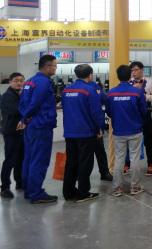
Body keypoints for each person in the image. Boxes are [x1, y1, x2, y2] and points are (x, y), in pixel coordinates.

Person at [61, 64, 105, 203]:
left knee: (71, 162)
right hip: (86, 132)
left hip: (70, 132)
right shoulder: (89, 90)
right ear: (90, 75)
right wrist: (100, 128)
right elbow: (96, 112)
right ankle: (83, 192)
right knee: (85, 163)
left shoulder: (66, 90)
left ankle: (68, 192)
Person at [19, 54, 58, 204]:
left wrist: (25, 118)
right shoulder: (44, 82)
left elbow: (23, 103)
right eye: (54, 66)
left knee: (29, 158)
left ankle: (29, 190)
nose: (55, 68)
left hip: (31, 126)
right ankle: (36, 193)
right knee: (39, 160)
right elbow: (35, 103)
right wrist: (26, 116)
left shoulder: (30, 81)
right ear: (47, 66)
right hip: (41, 126)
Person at [106, 65, 146, 197]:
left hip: (118, 131)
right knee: (135, 158)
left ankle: (117, 188)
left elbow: (109, 112)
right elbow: (143, 111)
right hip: (135, 130)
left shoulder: (111, 93)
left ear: (118, 76)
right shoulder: (137, 92)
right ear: (130, 76)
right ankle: (135, 187)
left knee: (119, 159)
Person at [125, 61, 152, 176]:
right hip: (132, 114)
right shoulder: (128, 82)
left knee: (148, 139)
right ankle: (127, 164)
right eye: (132, 70)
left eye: (136, 70)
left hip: (145, 113)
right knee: (129, 139)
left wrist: (144, 96)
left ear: (142, 70)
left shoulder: (149, 82)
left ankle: (151, 163)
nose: (133, 72)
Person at [0, 72, 25, 198]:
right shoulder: (7, 96)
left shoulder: (19, 94)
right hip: (11, 132)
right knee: (10, 160)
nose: (19, 83)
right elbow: (16, 111)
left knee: (20, 159)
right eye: (16, 80)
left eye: (21, 80)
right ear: (10, 82)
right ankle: (5, 187)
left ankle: (20, 182)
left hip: (20, 132)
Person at [87, 80, 112, 182]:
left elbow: (104, 98)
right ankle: (104, 173)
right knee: (97, 152)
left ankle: (103, 172)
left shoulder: (72, 88)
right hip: (92, 126)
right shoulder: (94, 87)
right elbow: (104, 99)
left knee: (97, 151)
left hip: (83, 127)